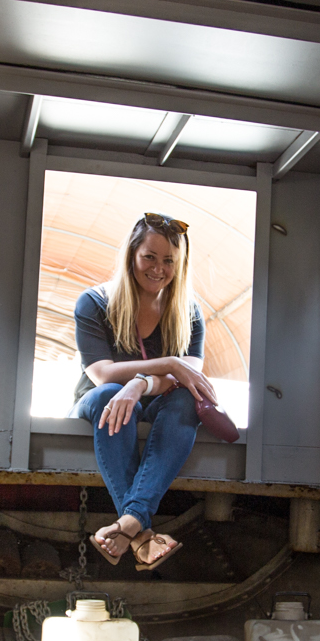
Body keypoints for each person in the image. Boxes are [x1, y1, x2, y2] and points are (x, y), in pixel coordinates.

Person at [71, 212, 219, 570]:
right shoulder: (94, 302)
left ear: (179, 265)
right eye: (149, 257)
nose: (158, 269)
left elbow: (188, 378)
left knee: (185, 399)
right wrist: (168, 363)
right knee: (110, 395)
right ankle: (140, 530)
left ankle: (129, 527)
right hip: (99, 403)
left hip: (155, 405)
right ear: (131, 255)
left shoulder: (189, 312)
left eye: (169, 260)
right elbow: (102, 374)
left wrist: (141, 383)